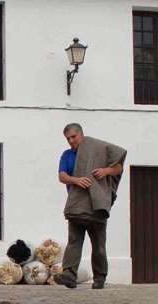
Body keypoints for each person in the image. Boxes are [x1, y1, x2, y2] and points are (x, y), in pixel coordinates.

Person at [54, 123, 127, 290]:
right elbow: (62, 176)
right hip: (77, 206)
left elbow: (118, 167)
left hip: (96, 206)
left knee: (99, 244)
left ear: (81, 134)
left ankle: (100, 277)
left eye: (73, 137)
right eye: (68, 139)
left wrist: (106, 171)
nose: (71, 141)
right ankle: (69, 275)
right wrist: (77, 180)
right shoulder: (67, 155)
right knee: (74, 241)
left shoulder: (98, 150)